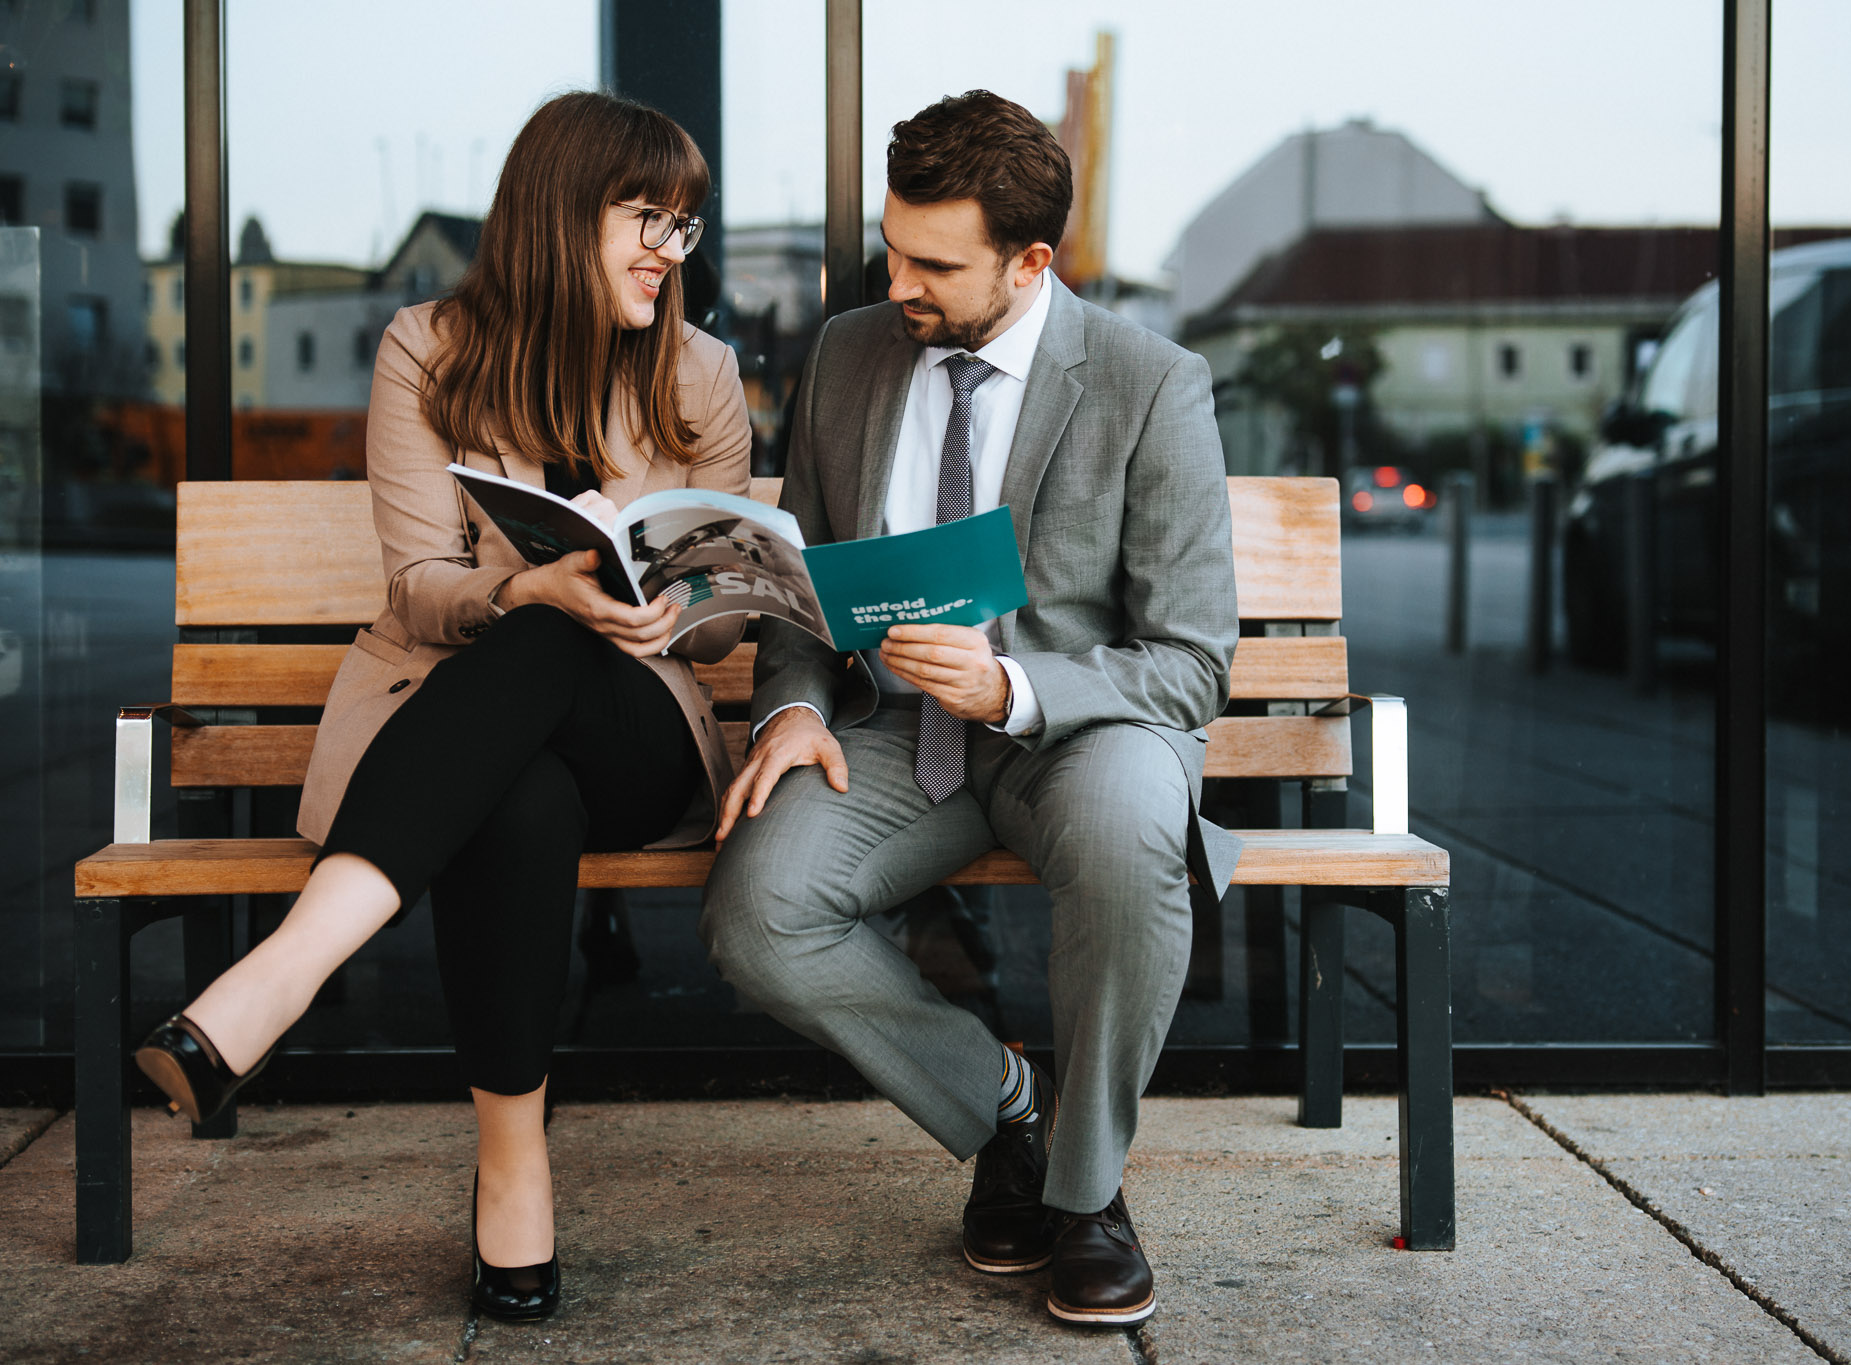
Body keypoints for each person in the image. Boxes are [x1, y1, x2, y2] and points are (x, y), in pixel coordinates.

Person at [131, 90, 750, 1323]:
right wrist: (531, 586)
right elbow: (419, 588)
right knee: (518, 787)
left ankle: (282, 974)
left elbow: (728, 618)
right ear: (559, 211)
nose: (667, 251)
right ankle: (513, 1171)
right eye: (645, 217)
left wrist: (669, 605)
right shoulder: (430, 347)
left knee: (554, 644)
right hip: (480, 728)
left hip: (638, 733)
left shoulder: (701, 370)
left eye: (682, 226)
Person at [702, 89, 1240, 1327]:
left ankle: (1084, 1195)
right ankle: (1004, 1107)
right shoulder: (849, 355)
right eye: (892, 249)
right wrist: (791, 711)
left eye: (935, 266)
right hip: (895, 735)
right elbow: (799, 587)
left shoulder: (1150, 383)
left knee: (1128, 841)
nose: (900, 283)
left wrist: (1013, 687)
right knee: (756, 913)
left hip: (1080, 733)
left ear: (1029, 261)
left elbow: (1189, 663)